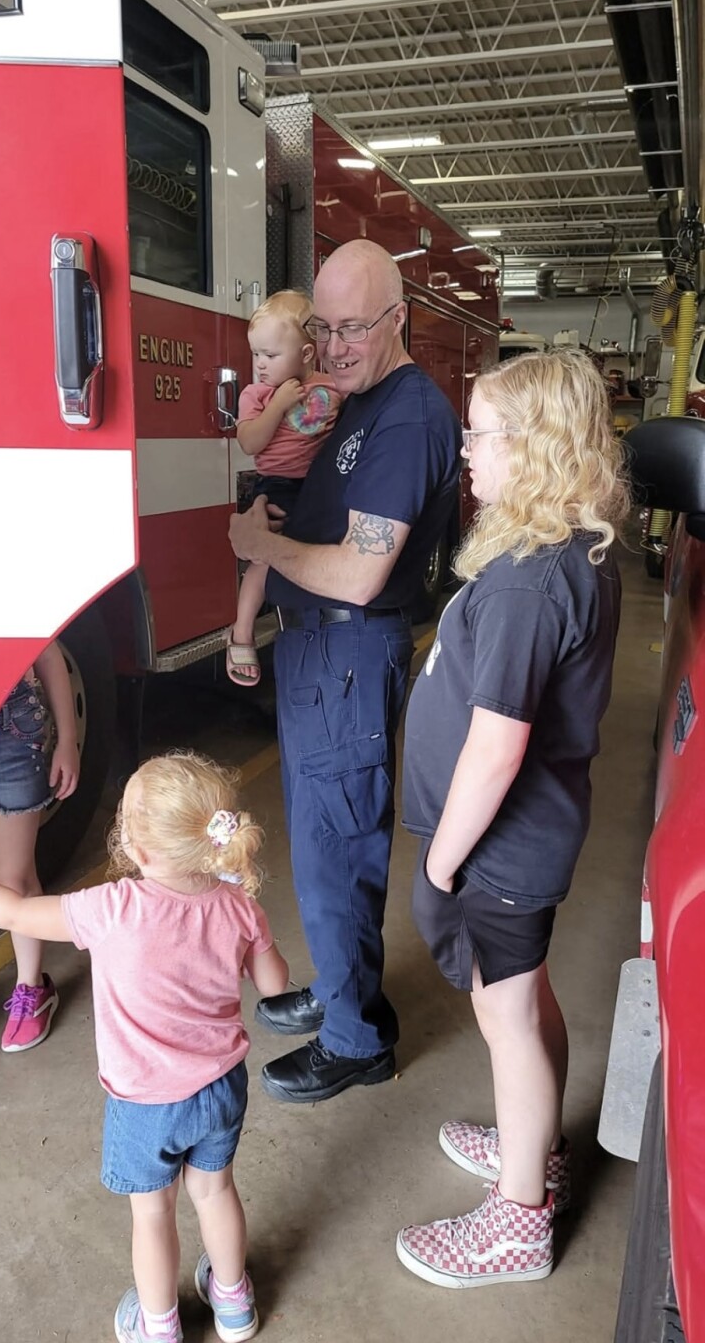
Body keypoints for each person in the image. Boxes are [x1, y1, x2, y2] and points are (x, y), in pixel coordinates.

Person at [395, 349, 628, 1289]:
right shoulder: (566, 550)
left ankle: (518, 1220)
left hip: (497, 853)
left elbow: (496, 750)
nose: (466, 452)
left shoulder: (535, 579)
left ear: (531, 447)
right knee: (525, 1002)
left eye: (479, 434)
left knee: (508, 1021)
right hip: (523, 845)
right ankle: (538, 1150)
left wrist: (444, 865)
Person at [229, 239, 462, 1104]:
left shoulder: (407, 417)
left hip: (349, 647)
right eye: (320, 328)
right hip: (319, 649)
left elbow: (363, 572)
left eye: (352, 328)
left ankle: (356, 1039)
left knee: (336, 849)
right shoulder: (359, 400)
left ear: (399, 319)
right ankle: (341, 993)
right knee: (322, 839)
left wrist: (261, 545)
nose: (330, 347)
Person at [0, 751, 289, 1343]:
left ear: (137, 851)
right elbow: (273, 986)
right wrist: (257, 932)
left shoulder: (112, 909)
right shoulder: (240, 906)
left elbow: (12, 908)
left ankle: (160, 1324)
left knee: (152, 1212)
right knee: (215, 1191)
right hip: (221, 1088)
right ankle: (234, 1303)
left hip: (144, 1104)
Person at [226, 289, 340, 686]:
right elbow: (250, 442)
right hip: (276, 485)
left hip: (320, 484)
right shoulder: (256, 395)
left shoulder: (330, 387)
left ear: (307, 355)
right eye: (256, 354)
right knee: (263, 558)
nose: (260, 365)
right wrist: (276, 406)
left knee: (317, 554)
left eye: (271, 356)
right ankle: (242, 632)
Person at [0, 641, 79, 1051]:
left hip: (8, 725)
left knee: (13, 878)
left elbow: (46, 650)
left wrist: (67, 739)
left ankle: (32, 988)